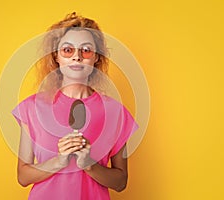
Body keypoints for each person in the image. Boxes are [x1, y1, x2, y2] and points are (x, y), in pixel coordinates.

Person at [11, 12, 139, 200]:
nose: (77, 57)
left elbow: (121, 182)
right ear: (56, 56)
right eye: (68, 50)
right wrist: (58, 162)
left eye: (86, 50)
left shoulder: (115, 112)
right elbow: (23, 176)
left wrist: (89, 165)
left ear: (96, 57)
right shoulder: (32, 108)